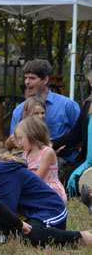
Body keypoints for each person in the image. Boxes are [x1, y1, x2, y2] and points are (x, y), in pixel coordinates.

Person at [0, 135, 92, 247]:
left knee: (30, 235)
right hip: (25, 216)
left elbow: (6, 210)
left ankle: (81, 237)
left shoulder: (1, 170)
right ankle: (5, 237)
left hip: (48, 210)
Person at [10, 59, 79, 163]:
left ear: (45, 80)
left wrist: (58, 145)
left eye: (32, 78)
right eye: (26, 78)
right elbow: (14, 143)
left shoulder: (68, 105)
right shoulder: (19, 110)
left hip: (62, 161)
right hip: (28, 161)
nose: (27, 82)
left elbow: (83, 136)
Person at [53, 70, 92, 199]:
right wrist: (51, 144)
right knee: (64, 182)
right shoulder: (89, 104)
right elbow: (75, 135)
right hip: (87, 162)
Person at [15, 117, 67, 202]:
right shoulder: (26, 154)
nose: (19, 143)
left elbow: (38, 178)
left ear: (32, 135)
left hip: (48, 190)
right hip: (34, 188)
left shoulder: (47, 152)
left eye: (21, 138)